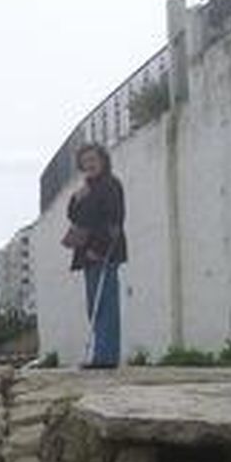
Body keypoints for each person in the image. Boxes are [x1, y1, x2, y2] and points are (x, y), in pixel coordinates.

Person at [63, 142, 128, 367]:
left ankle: (106, 356)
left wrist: (99, 249)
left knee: (105, 302)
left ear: (103, 161)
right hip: (87, 253)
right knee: (95, 304)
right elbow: (74, 216)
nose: (89, 164)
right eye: (85, 161)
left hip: (104, 252)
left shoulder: (110, 185)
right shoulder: (87, 188)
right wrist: (76, 198)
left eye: (93, 159)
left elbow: (114, 220)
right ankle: (102, 354)